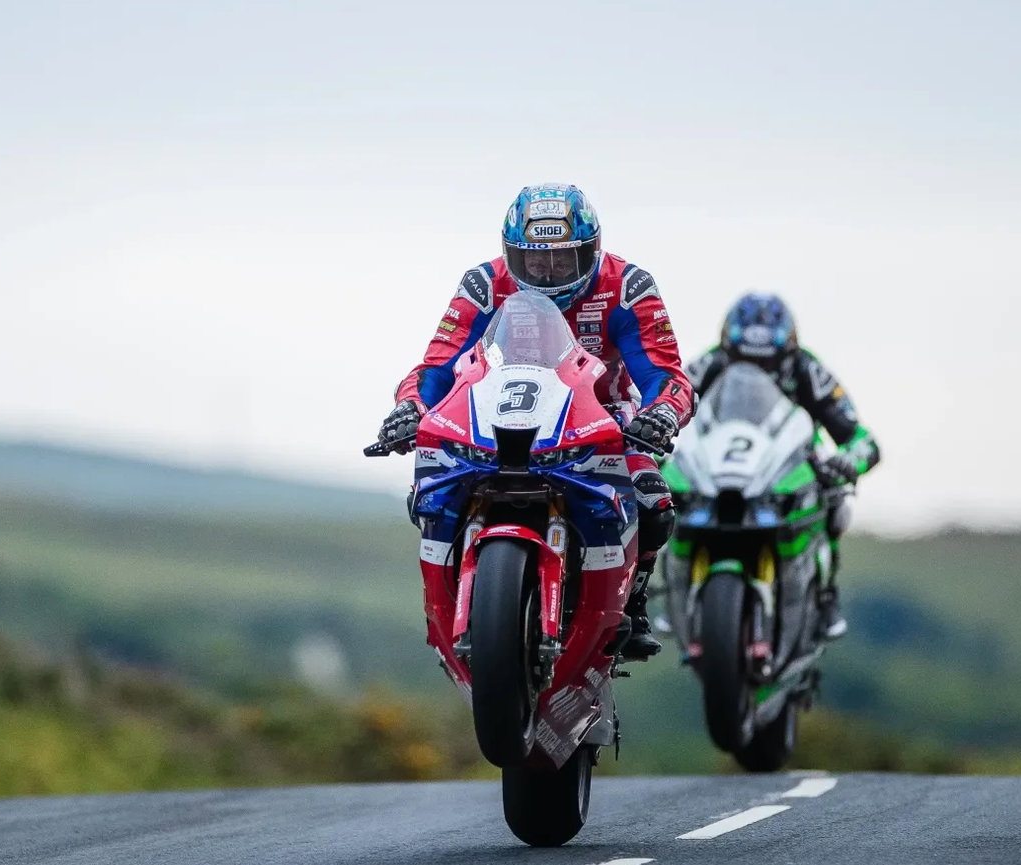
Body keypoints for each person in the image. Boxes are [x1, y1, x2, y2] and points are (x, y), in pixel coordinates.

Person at [375, 183, 694, 660]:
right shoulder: (483, 285)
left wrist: (661, 413)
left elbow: (664, 373)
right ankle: (451, 595)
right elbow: (438, 365)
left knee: (653, 499)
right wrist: (410, 408)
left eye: (564, 259)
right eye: (534, 261)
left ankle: (635, 597)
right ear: (511, 254)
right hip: (495, 414)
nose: (548, 272)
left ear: (591, 250)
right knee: (430, 492)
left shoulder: (629, 287)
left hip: (602, 417)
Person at [683, 292, 881, 640]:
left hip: (790, 467)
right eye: (744, 360)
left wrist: (849, 460)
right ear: (728, 348)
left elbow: (861, 438)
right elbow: (667, 401)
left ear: (788, 351)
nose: (757, 371)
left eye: (769, 363)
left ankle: (825, 593)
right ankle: (670, 588)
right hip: (721, 465)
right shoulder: (709, 364)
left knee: (834, 499)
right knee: (667, 496)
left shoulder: (809, 370)